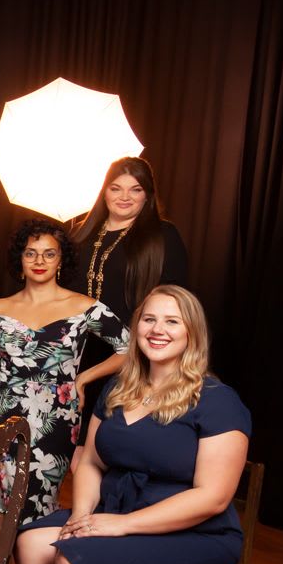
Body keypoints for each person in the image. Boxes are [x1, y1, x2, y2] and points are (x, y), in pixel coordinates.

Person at [11, 285, 249, 564]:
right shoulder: (119, 388)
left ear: (192, 332)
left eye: (172, 321)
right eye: (149, 320)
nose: (158, 330)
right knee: (31, 540)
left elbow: (213, 497)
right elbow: (91, 461)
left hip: (195, 534)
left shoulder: (218, 400)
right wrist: (83, 514)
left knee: (78, 558)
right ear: (136, 327)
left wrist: (118, 526)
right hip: (118, 511)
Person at [0, 219, 129, 524]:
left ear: (61, 260)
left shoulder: (84, 307)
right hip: (3, 419)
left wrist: (84, 377)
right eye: (31, 253)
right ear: (20, 259)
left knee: (39, 505)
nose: (39, 261)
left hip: (56, 421)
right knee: (1, 507)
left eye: (49, 253)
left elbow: (131, 347)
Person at [62, 157, 191, 446]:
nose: (124, 197)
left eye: (135, 189)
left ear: (147, 195)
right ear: (104, 191)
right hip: (76, 355)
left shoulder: (162, 236)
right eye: (116, 188)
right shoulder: (79, 232)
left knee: (110, 446)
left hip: (131, 358)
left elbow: (176, 301)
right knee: (68, 452)